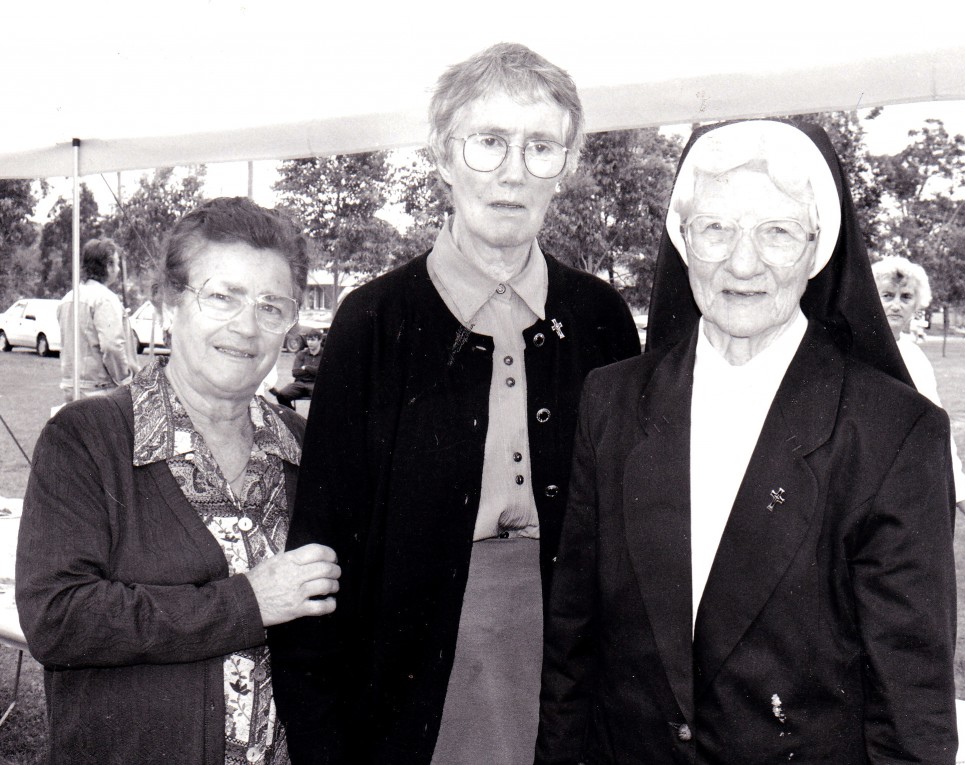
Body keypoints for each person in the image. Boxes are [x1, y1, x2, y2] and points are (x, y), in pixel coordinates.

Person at [535, 120, 958, 764]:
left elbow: (911, 704)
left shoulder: (893, 432)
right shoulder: (612, 401)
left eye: (777, 232)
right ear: (682, 240)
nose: (741, 263)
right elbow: (574, 645)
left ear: (818, 250)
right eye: (716, 228)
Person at [269, 43, 640, 765]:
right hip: (413, 676)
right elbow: (319, 551)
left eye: (540, 147)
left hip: (567, 666)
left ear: (563, 169)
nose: (512, 170)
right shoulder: (371, 322)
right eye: (488, 142)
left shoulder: (601, 319)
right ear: (442, 156)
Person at [16, 197, 341, 765]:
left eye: (271, 306)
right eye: (222, 296)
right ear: (170, 304)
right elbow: (58, 619)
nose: (246, 325)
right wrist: (247, 603)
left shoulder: (305, 448)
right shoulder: (89, 439)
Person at [873, 256, 965, 523]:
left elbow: (936, 429)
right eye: (887, 295)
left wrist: (961, 492)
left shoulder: (916, 359)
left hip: (902, 487)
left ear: (917, 304)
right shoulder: (848, 351)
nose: (896, 305)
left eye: (906, 297)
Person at [56, 238, 138, 401]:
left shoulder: (67, 298)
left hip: (71, 388)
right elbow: (112, 346)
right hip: (99, 391)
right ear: (108, 266)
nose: (118, 269)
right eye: (115, 263)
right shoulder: (105, 299)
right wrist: (125, 379)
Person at [272, 330, 323, 409]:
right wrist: (314, 371)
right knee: (281, 395)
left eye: (313, 340)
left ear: (320, 340)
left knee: (322, 399)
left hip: (316, 384)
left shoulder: (324, 355)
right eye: (308, 339)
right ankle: (292, 415)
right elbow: (295, 372)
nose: (310, 342)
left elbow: (323, 373)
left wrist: (306, 368)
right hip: (300, 383)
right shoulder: (302, 354)